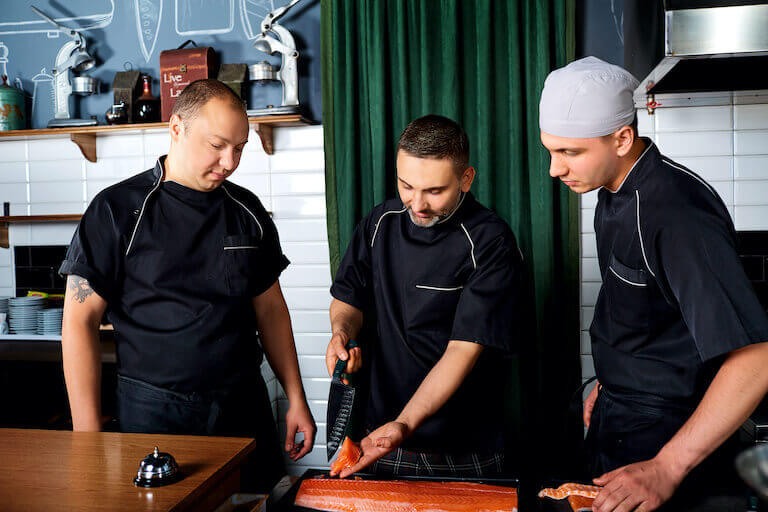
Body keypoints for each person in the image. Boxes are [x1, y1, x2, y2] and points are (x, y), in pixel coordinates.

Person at [59, 79, 315, 490]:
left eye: (240, 147)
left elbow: (271, 311)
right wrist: (86, 438)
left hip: (244, 407)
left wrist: (296, 398)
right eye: (217, 145)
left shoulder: (247, 210)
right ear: (176, 127)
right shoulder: (117, 210)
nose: (230, 161)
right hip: (155, 415)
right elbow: (78, 323)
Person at [539, 56, 768, 511]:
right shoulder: (612, 189)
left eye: (569, 152)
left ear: (623, 138)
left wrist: (666, 467)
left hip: (669, 437)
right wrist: (611, 380)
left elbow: (757, 360)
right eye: (551, 150)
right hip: (622, 416)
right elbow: (647, 308)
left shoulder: (677, 213)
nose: (554, 170)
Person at [326, 115, 528, 478]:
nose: (416, 204)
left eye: (434, 191)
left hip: (464, 445)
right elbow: (348, 297)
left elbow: (462, 350)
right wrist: (342, 332)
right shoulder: (379, 223)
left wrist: (405, 422)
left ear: (466, 179)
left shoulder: (490, 241)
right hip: (380, 435)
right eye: (406, 186)